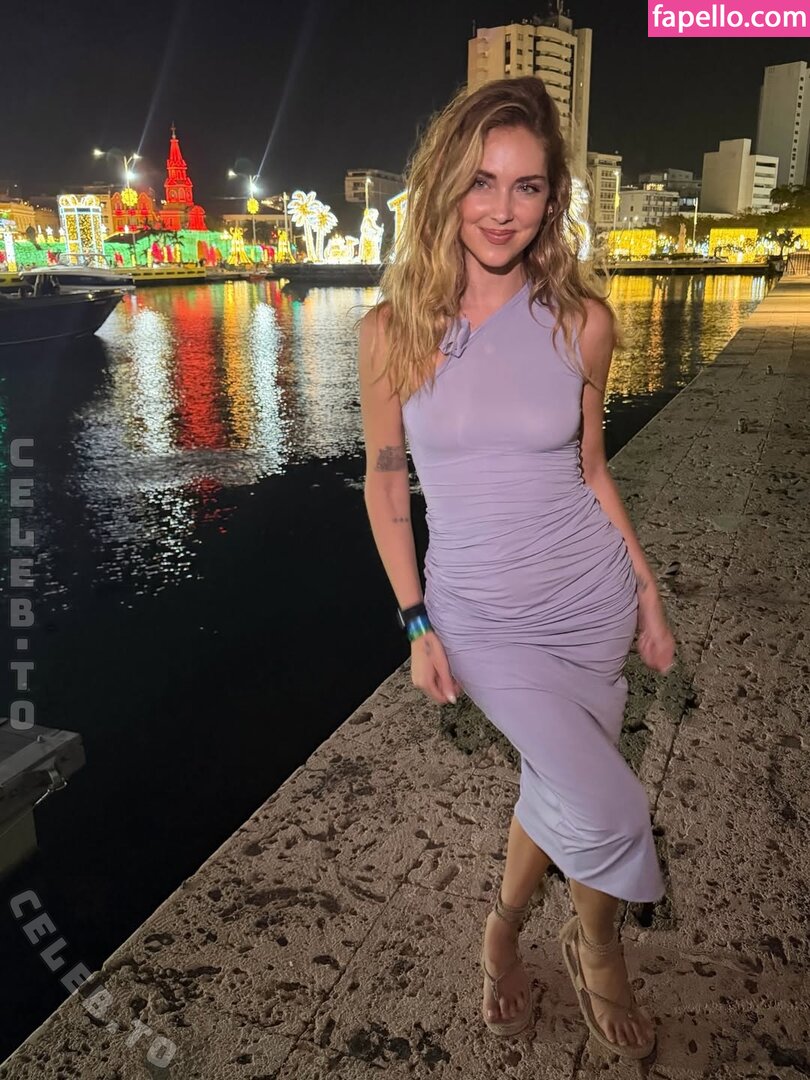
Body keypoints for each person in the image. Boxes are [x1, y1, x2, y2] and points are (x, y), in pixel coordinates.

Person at [357, 76, 675, 1059]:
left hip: (588, 599)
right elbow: (384, 483)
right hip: (480, 615)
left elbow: (592, 470)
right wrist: (416, 621)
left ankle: (501, 929)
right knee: (610, 803)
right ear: (446, 186)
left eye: (527, 186)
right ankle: (598, 949)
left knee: (557, 778)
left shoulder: (583, 322)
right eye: (482, 182)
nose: (502, 209)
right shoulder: (391, 332)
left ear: (552, 197)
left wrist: (646, 592)